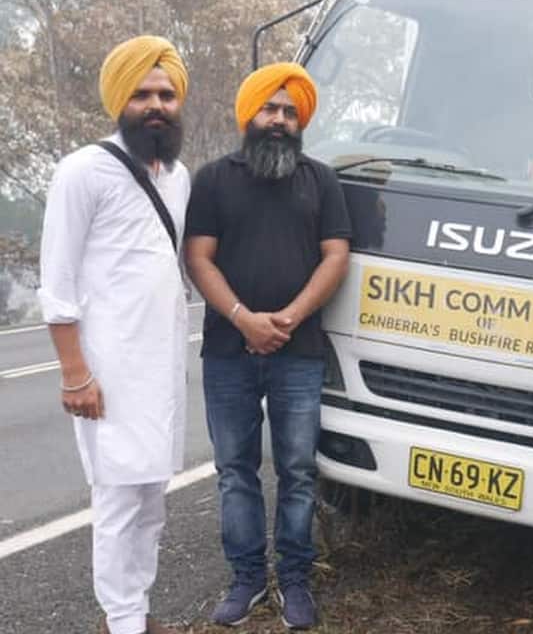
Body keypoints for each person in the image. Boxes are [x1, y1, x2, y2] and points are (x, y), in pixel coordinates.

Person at [184, 62, 351, 630]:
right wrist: (242, 319)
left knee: (298, 471)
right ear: (248, 115)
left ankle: (295, 581)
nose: (279, 119)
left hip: (298, 353)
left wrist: (288, 317)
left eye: (289, 111)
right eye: (269, 108)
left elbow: (336, 256)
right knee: (235, 470)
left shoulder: (321, 181)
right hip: (227, 353)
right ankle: (247, 579)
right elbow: (198, 258)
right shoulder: (213, 180)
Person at [39, 35, 190, 634]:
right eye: (142, 94)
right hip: (107, 370)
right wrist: (75, 374)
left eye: (166, 95)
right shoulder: (82, 171)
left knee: (152, 498)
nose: (156, 105)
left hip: (162, 368)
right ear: (119, 100)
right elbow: (58, 284)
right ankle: (122, 620)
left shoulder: (178, 176)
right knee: (118, 500)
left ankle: (135, 613)